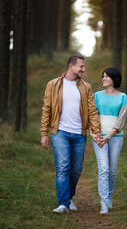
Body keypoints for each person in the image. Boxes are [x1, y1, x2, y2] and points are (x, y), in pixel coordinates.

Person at [41, 55, 102, 214]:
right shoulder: (53, 85)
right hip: (59, 133)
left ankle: (69, 198)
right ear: (71, 66)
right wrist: (44, 133)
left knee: (75, 170)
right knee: (62, 167)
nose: (84, 69)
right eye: (81, 66)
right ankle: (62, 204)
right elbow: (47, 109)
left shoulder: (86, 87)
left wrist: (96, 132)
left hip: (79, 134)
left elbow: (92, 111)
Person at [89, 67, 127, 214]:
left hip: (115, 138)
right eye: (102, 76)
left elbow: (120, 121)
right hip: (98, 137)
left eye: (106, 76)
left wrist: (109, 136)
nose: (103, 79)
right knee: (104, 169)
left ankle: (109, 197)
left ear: (114, 79)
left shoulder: (123, 97)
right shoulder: (97, 96)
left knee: (112, 171)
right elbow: (91, 116)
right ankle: (104, 202)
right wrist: (92, 134)